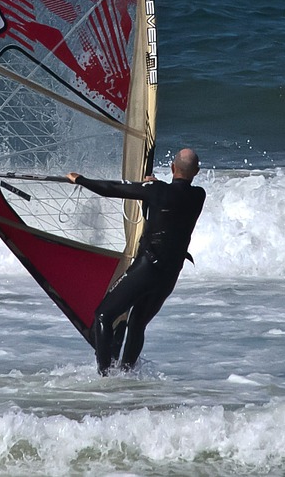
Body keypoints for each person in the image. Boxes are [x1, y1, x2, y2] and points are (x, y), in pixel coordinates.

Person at [66, 148, 205, 375]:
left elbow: (112, 189)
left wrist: (80, 180)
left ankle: (105, 375)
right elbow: (172, 198)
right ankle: (126, 376)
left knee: (103, 315)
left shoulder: (156, 191)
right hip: (170, 273)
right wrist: (154, 188)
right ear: (196, 172)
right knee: (137, 323)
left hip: (147, 268)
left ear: (172, 167)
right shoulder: (199, 195)